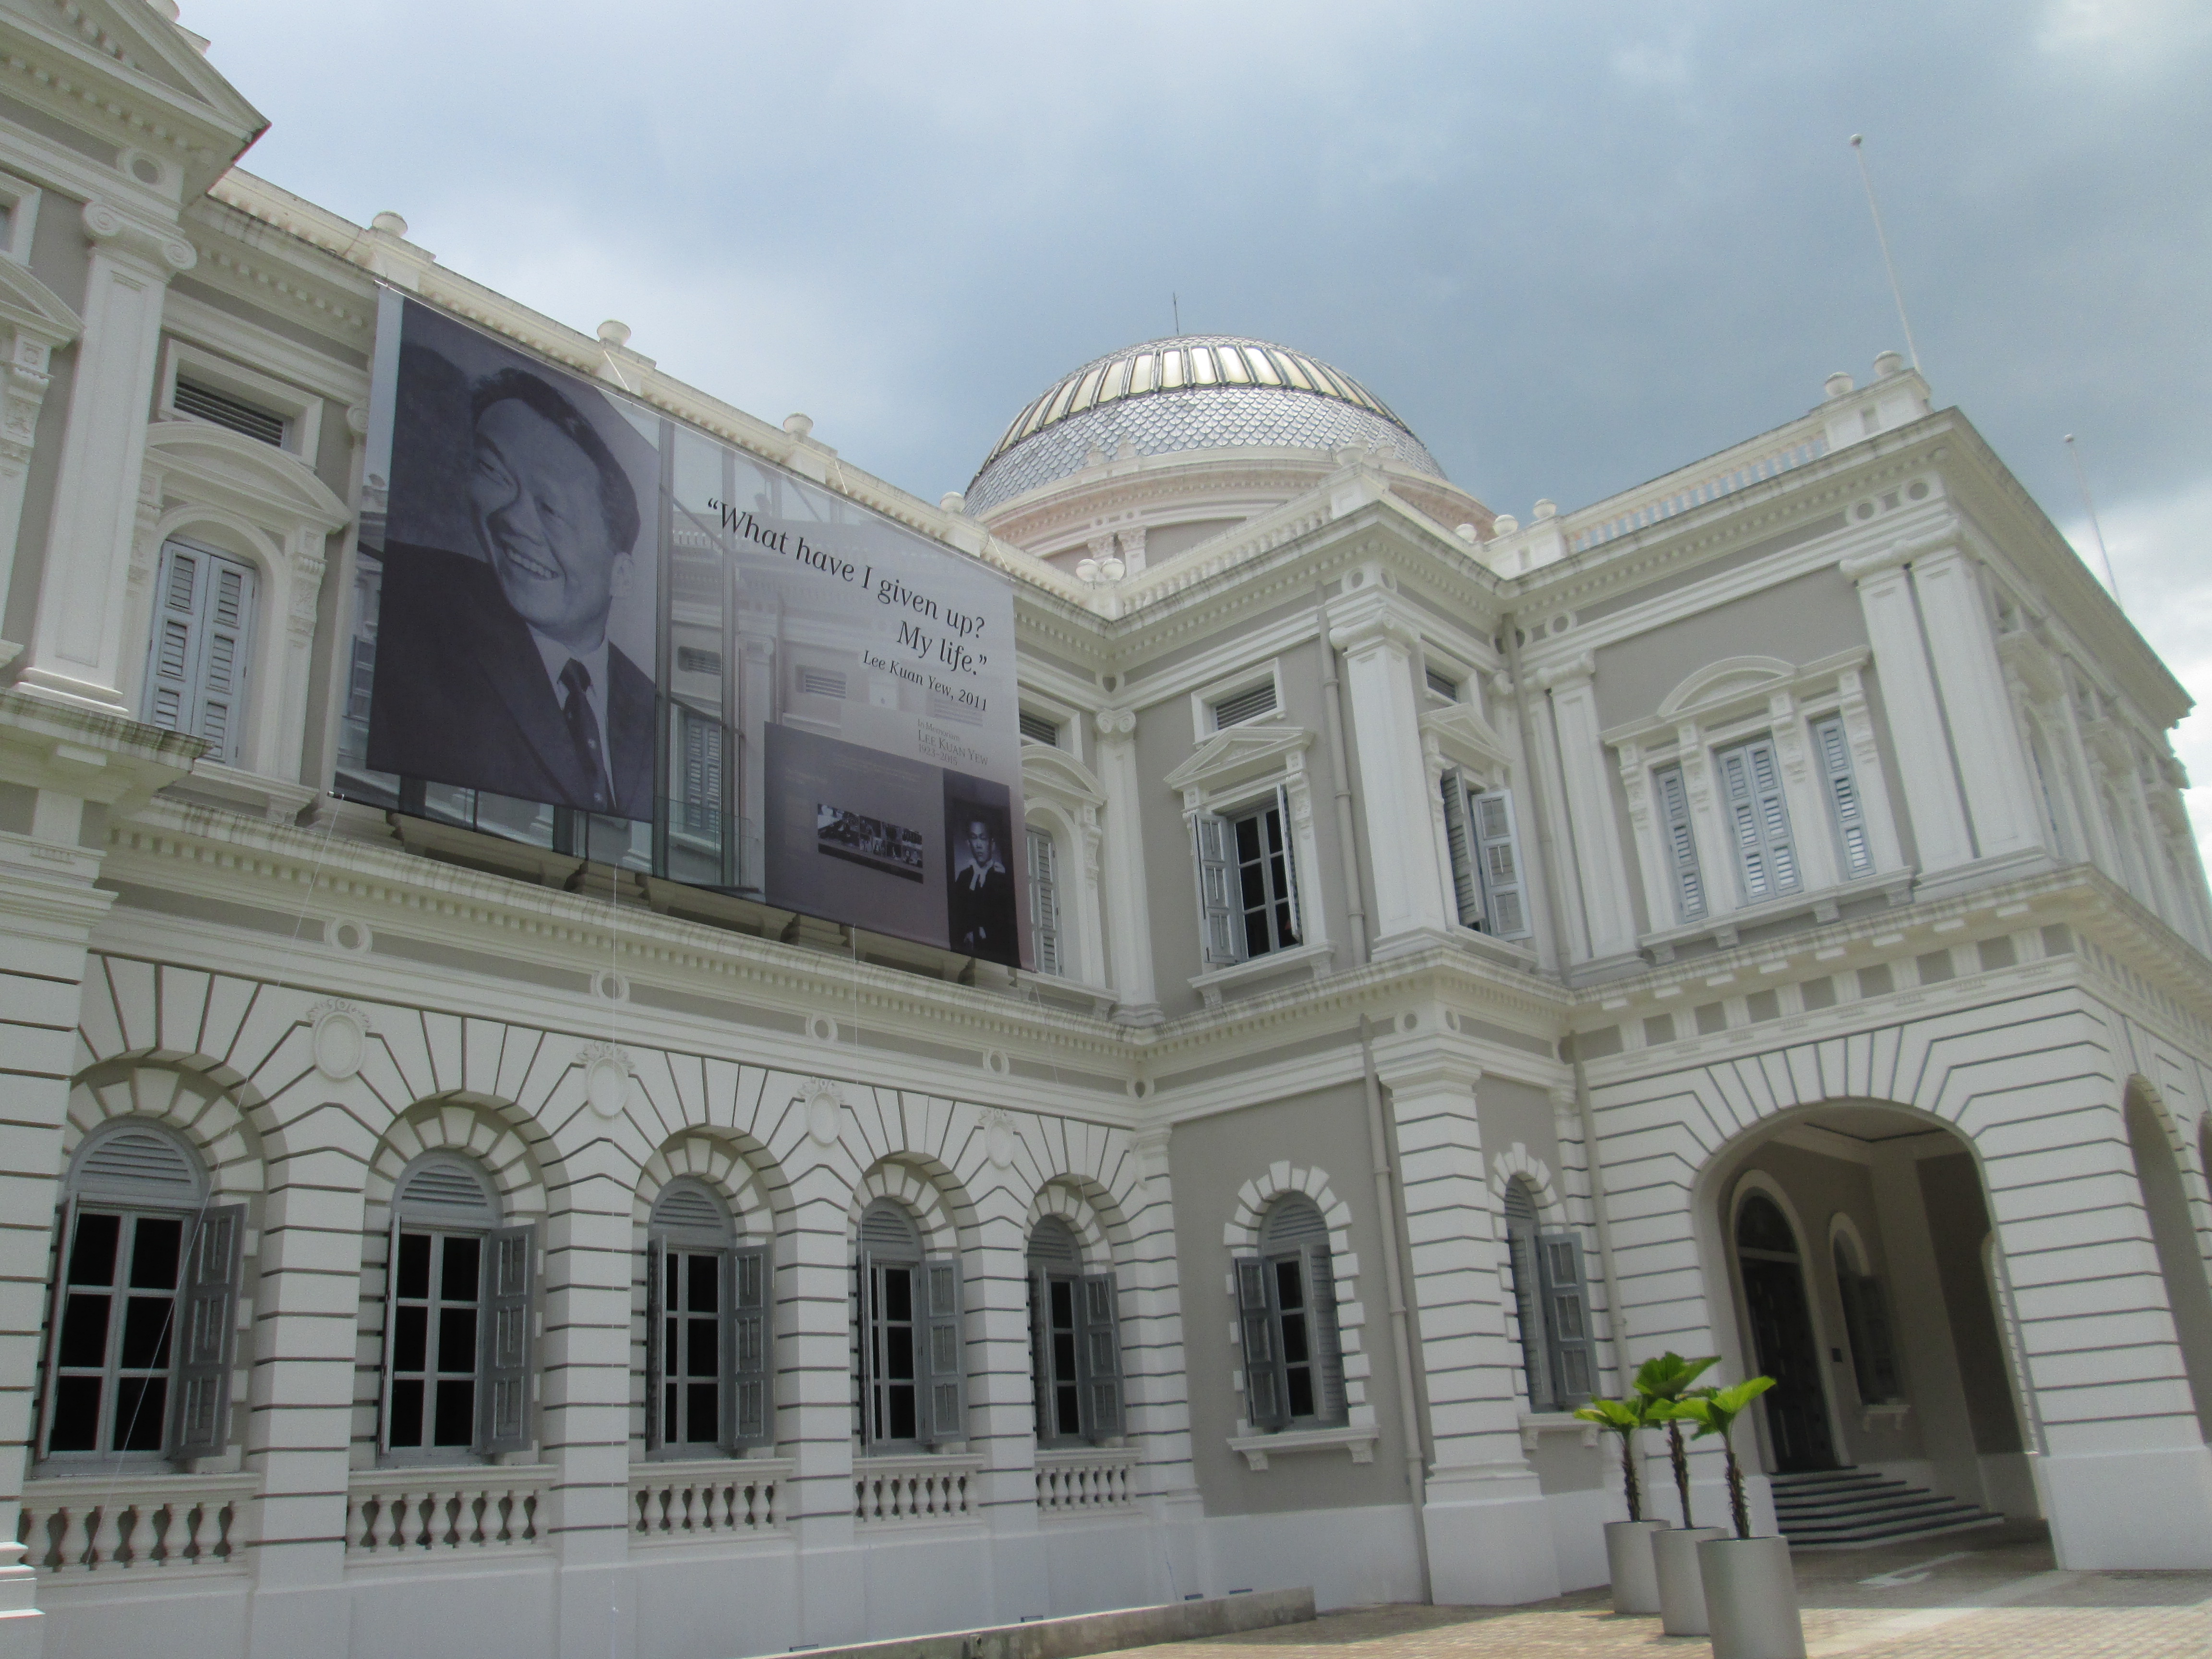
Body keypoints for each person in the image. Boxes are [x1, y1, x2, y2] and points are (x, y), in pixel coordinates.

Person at [368, 367, 654, 817]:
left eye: (551, 507)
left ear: (621, 575)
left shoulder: (653, 709)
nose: (512, 520)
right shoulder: (411, 604)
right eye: (495, 473)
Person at [946, 810, 1017, 959]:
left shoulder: (1002, 877)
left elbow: (1007, 925)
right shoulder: (964, 877)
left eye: (983, 839)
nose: (978, 845)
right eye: (974, 838)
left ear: (992, 844)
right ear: (968, 843)